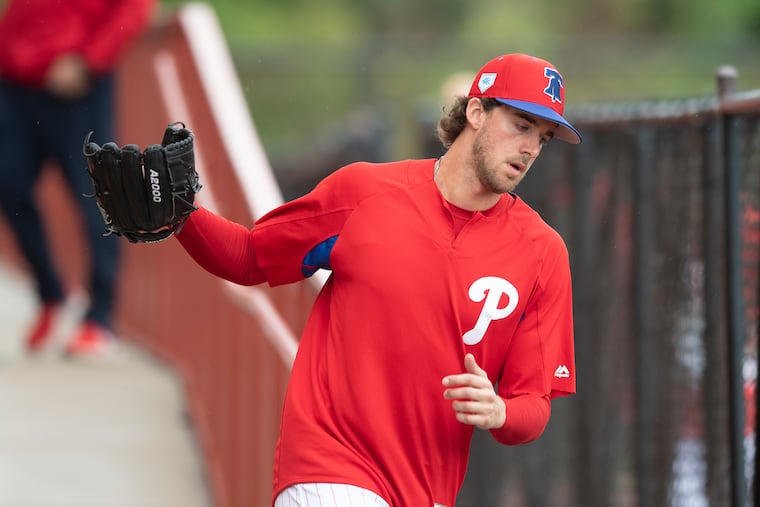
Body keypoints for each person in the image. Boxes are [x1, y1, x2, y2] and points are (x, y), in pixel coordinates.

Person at [178, 53, 580, 505]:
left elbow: (534, 406)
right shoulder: (364, 195)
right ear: (475, 112)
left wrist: (500, 410)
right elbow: (250, 257)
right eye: (521, 125)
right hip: (328, 468)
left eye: (543, 138)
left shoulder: (542, 252)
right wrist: (179, 216)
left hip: (426, 492)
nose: (530, 148)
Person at [0, 0, 156, 356]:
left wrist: (88, 60)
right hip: (13, 78)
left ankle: (99, 318)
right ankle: (51, 292)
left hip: (77, 82)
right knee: (8, 184)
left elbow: (136, 8)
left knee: (95, 196)